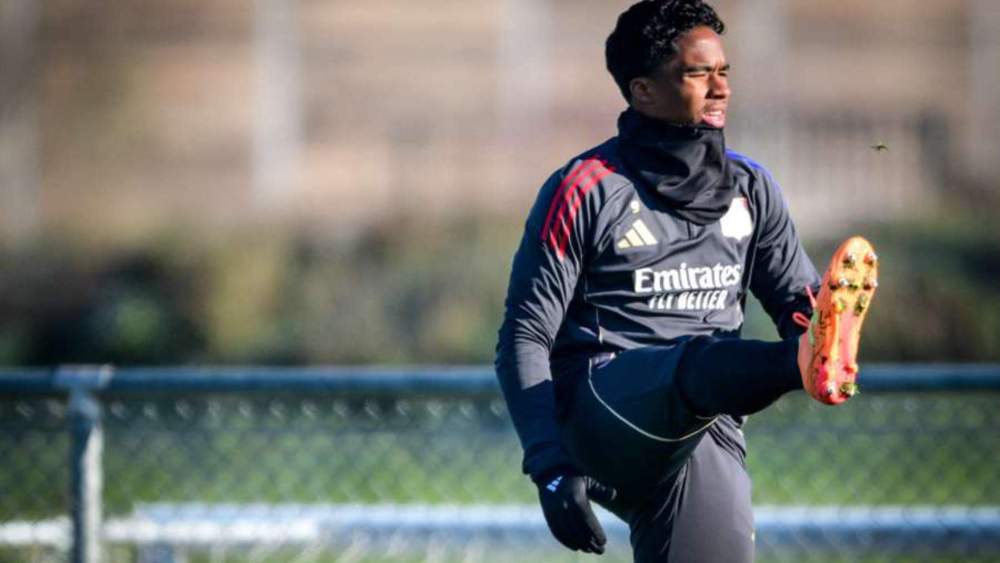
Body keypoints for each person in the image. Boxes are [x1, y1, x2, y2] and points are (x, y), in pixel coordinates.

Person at [493, 1, 879, 561]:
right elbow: (523, 339)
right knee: (694, 361)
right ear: (643, 91)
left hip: (703, 428)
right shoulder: (585, 189)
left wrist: (812, 319)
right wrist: (549, 467)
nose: (719, 87)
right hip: (601, 412)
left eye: (724, 71)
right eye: (697, 73)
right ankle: (795, 366)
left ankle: (797, 363)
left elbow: (801, 309)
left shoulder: (753, 188)